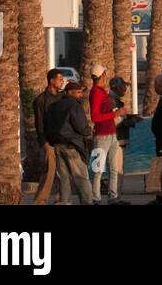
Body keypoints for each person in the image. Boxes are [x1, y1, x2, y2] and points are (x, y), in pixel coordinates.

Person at [45, 81, 94, 204]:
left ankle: (64, 202)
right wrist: (89, 130)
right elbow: (82, 128)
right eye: (78, 92)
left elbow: (47, 125)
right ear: (70, 93)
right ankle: (87, 202)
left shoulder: (54, 106)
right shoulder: (75, 106)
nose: (80, 95)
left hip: (57, 144)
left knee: (63, 178)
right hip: (72, 145)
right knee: (81, 178)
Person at [88, 65, 129, 204]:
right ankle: (95, 198)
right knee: (98, 169)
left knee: (113, 168)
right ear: (103, 75)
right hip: (101, 136)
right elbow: (95, 117)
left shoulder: (101, 92)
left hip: (111, 135)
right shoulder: (95, 93)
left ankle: (113, 197)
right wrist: (115, 114)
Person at [32, 69, 67, 204]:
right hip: (48, 141)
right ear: (51, 80)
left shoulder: (62, 97)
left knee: (62, 172)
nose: (62, 82)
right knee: (49, 172)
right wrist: (44, 143)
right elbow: (39, 123)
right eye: (60, 79)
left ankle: (60, 198)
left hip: (61, 140)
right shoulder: (40, 100)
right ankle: (40, 200)